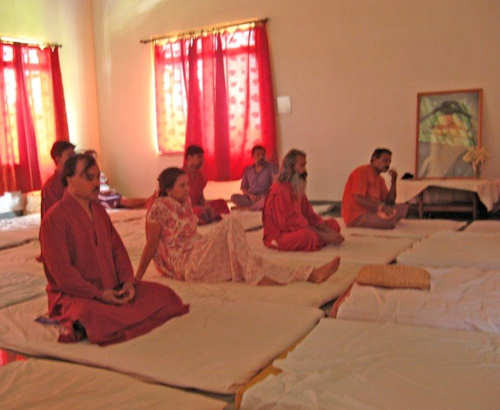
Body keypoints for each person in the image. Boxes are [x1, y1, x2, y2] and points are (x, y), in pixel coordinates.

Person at [39, 153, 189, 345]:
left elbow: (118, 250)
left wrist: (127, 283)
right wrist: (99, 294)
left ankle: (112, 314)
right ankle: (88, 320)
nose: (96, 183)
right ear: (69, 179)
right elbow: (63, 274)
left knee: (165, 295)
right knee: (92, 315)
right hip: (78, 295)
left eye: (97, 177)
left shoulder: (99, 210)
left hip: (113, 288)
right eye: (89, 177)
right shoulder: (54, 218)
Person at [135, 167, 340, 285]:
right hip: (186, 265)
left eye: (188, 184)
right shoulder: (158, 208)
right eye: (182, 186)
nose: (188, 189)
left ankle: (309, 274)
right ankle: (255, 277)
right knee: (232, 223)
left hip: (199, 250)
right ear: (168, 190)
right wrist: (137, 278)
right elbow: (151, 246)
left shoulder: (185, 202)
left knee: (253, 259)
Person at [263, 149, 344, 251]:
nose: (305, 170)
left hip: (300, 227)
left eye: (305, 165)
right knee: (308, 236)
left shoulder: (296, 187)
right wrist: (324, 235)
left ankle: (320, 240)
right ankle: (320, 240)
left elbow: (309, 214)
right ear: (291, 167)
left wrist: (327, 230)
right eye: (302, 166)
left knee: (333, 224)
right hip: (280, 235)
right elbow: (289, 223)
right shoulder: (279, 191)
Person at [342, 148, 409, 229]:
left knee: (403, 208)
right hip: (357, 215)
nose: (388, 164)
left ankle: (385, 218)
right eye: (385, 160)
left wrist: (393, 182)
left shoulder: (380, 179)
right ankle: (386, 220)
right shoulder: (361, 172)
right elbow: (358, 198)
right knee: (389, 223)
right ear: (374, 159)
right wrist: (381, 207)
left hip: (373, 212)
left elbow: (389, 202)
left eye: (389, 161)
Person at [183, 145, 229, 224]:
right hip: (186, 208)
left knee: (221, 203)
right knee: (200, 211)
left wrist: (206, 205)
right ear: (189, 158)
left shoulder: (200, 175)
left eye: (202, 157)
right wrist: (201, 208)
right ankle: (208, 218)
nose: (202, 160)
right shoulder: (180, 175)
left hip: (198, 206)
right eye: (199, 157)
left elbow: (201, 196)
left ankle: (215, 219)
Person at [230, 145, 278, 211]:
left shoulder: (271, 167)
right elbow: (243, 188)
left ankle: (249, 208)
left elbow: (275, 185)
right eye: (258, 155)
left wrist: (263, 195)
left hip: (264, 197)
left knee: (269, 199)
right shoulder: (248, 170)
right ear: (253, 156)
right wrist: (250, 196)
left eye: (263, 155)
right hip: (250, 198)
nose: (261, 157)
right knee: (233, 197)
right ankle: (256, 207)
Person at [41, 141, 75, 218]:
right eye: (70, 155)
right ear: (58, 158)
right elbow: (53, 215)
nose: (74, 159)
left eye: (74, 155)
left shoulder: (76, 179)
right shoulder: (51, 186)